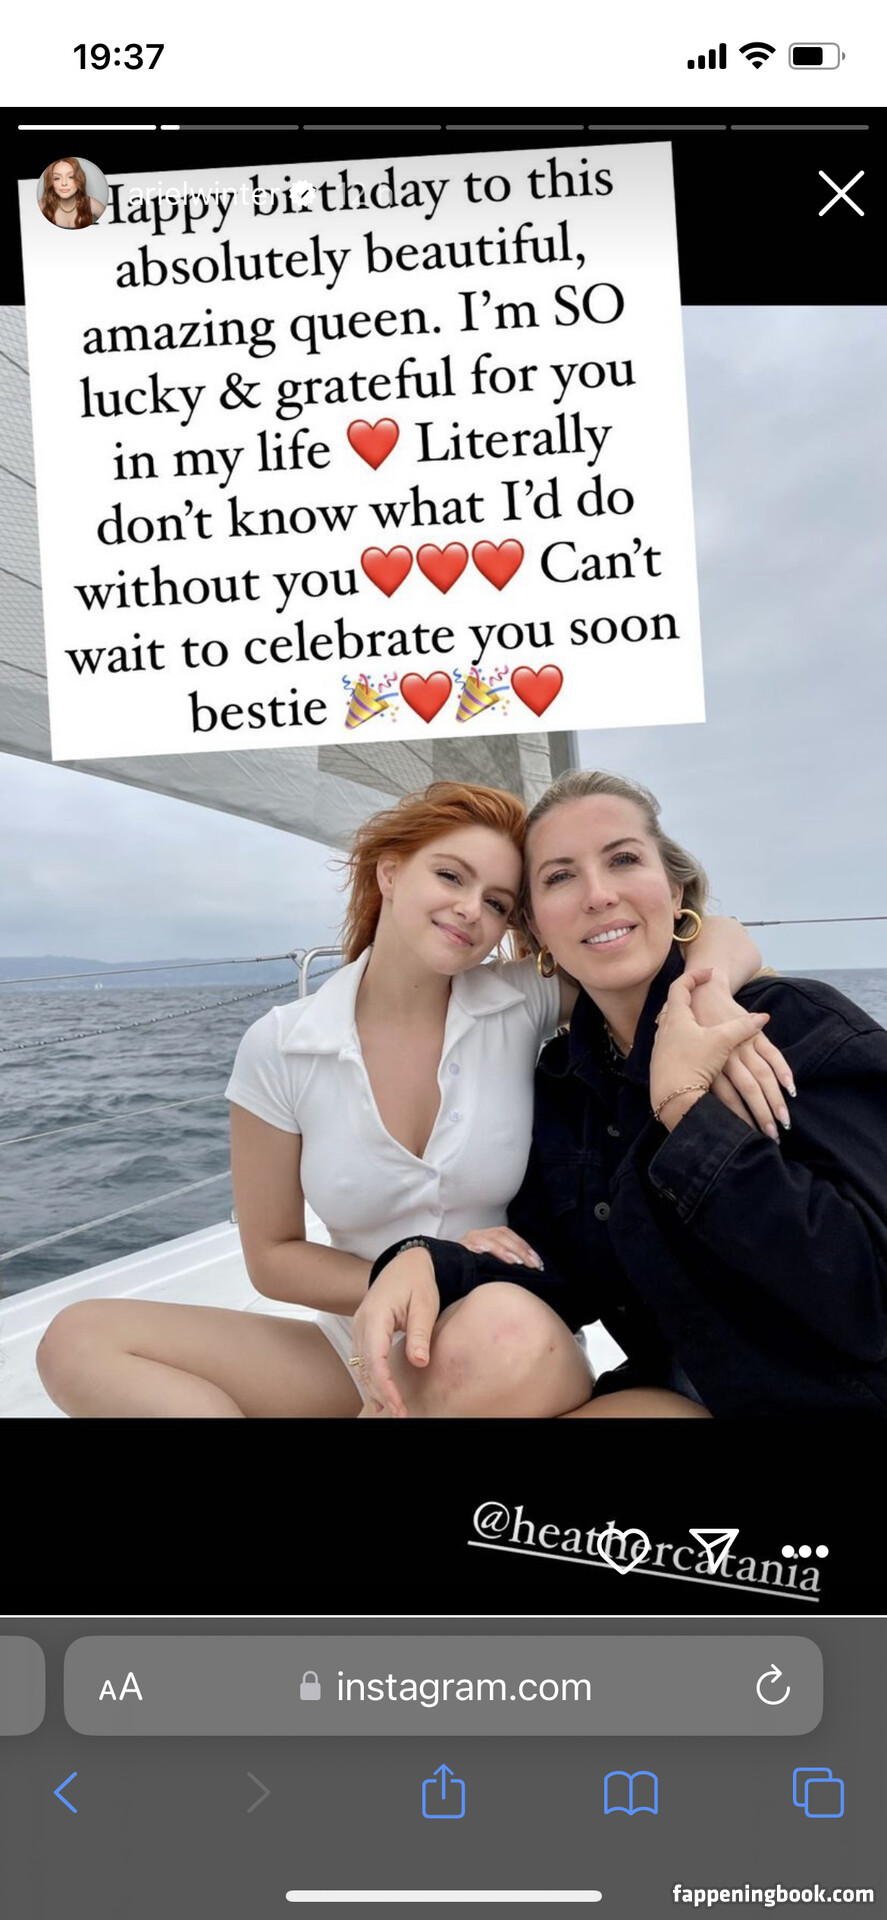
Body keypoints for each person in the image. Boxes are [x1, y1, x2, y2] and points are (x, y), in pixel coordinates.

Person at [35, 781, 788, 1418]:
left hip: (514, 1332)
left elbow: (695, 934)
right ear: (391, 872)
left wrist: (711, 994)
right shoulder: (282, 1045)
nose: (470, 910)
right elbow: (271, 1257)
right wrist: (407, 1271)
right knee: (79, 1338)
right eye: (450, 877)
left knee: (528, 1347)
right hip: (361, 1343)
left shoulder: (522, 999)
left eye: (498, 902)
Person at [354, 770, 887, 1420]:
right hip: (678, 1391)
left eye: (623, 860)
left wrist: (687, 1111)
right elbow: (556, 1274)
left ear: (675, 889)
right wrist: (425, 1261)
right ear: (535, 928)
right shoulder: (565, 1083)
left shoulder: (793, 1028)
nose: (598, 894)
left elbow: (869, 1302)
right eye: (559, 876)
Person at [39, 158, 106, 228]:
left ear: (79, 179)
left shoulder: (92, 204)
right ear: (51, 182)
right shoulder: (42, 206)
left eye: (71, 177)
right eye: (57, 178)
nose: (64, 183)